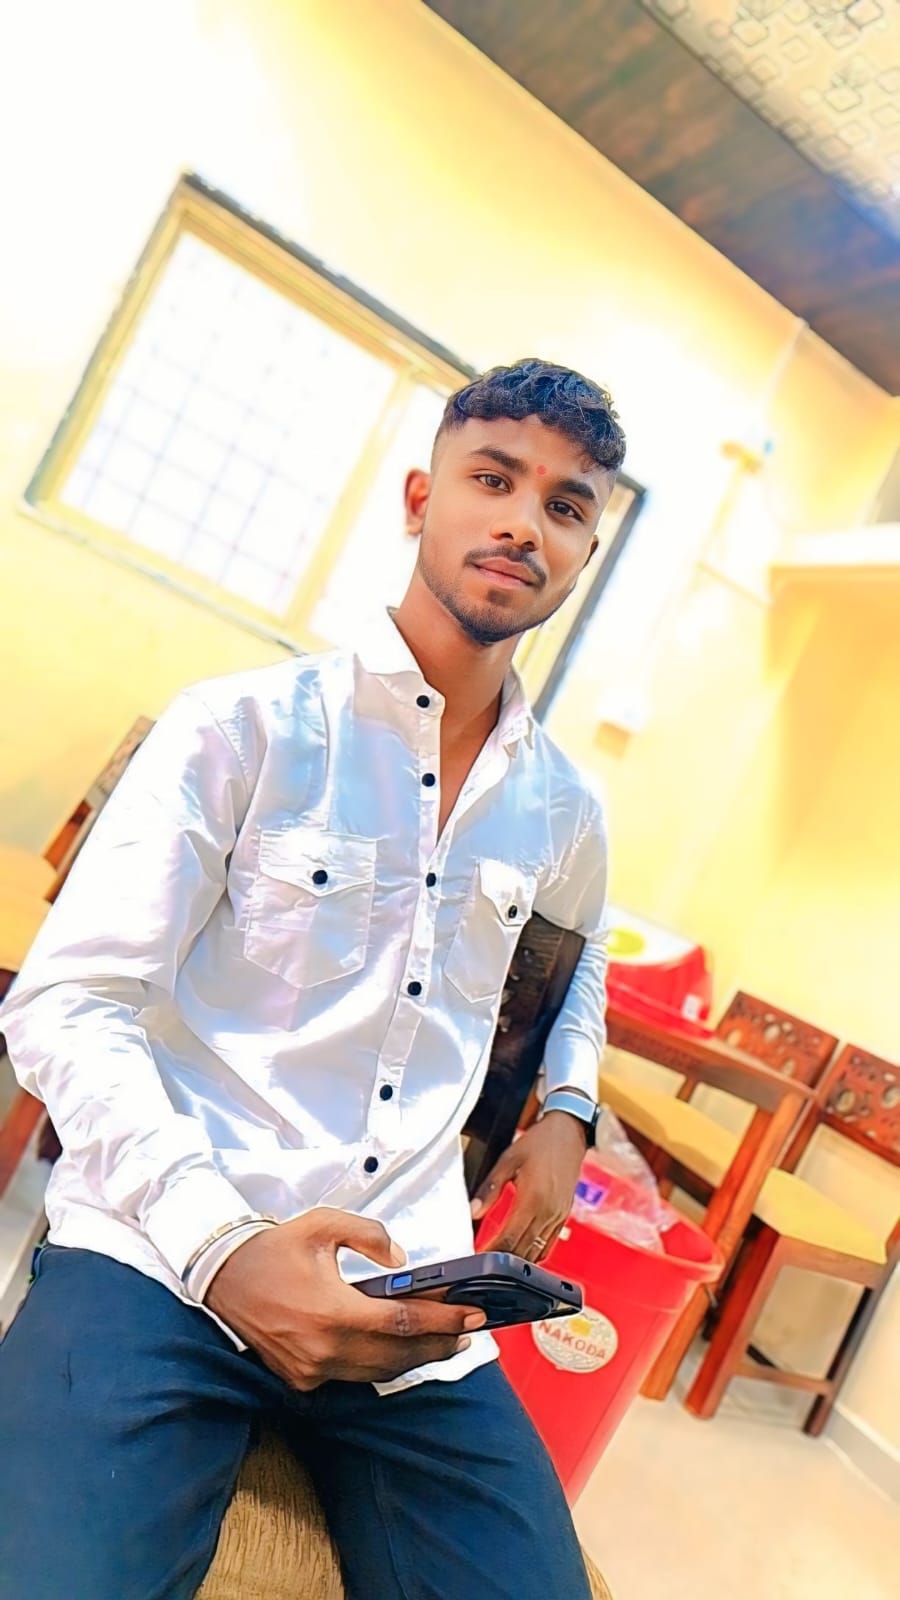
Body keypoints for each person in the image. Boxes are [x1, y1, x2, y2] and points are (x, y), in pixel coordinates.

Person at [0, 357, 626, 1599]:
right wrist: (222, 1244)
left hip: (411, 1288)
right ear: (420, 499)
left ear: (585, 553)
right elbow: (66, 1002)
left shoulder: (566, 808)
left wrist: (569, 1103)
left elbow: (582, 950)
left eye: (565, 505)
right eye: (493, 478)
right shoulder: (242, 727)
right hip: (164, 1248)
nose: (524, 522)